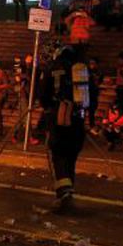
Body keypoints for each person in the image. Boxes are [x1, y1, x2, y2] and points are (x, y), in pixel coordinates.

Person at [41, 44, 89, 213]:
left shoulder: (51, 68)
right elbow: (92, 96)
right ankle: (68, 193)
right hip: (78, 120)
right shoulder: (81, 70)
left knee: (58, 155)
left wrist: (48, 112)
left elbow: (44, 95)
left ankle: (64, 196)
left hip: (59, 118)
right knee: (71, 158)